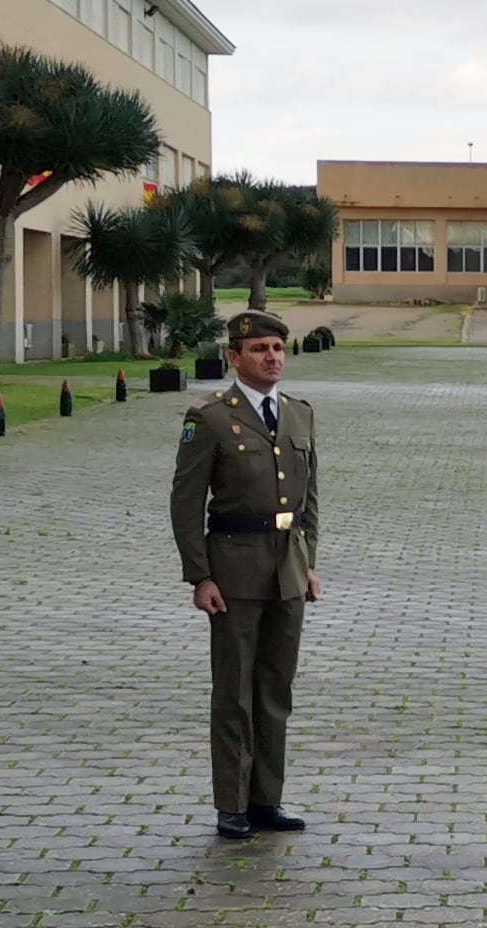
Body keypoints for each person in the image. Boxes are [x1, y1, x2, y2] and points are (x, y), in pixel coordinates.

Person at [170, 311, 322, 842]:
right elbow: (186, 503)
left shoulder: (299, 415)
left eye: (278, 348)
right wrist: (199, 577)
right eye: (259, 349)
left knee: (275, 689)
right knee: (234, 691)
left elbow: (310, 502)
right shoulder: (209, 417)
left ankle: (266, 800)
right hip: (233, 570)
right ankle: (231, 803)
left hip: (287, 570)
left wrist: (308, 563)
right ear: (235, 357)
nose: (272, 357)